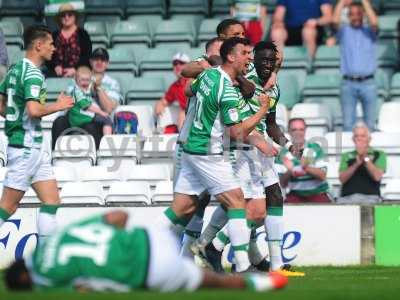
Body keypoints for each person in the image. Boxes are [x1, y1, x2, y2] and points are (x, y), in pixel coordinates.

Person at [193, 41, 304, 277]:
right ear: (253, 60)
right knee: (249, 209)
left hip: (260, 150)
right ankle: (214, 246)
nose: (266, 65)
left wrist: (288, 144)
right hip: (239, 148)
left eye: (270, 61)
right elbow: (217, 66)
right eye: (261, 60)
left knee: (275, 198)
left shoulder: (274, 89)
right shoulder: (243, 77)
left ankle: (276, 265)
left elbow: (271, 125)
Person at [161, 37, 270, 273]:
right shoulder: (228, 90)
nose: (249, 58)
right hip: (207, 152)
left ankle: (150, 252)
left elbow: (189, 89)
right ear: (231, 56)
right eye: (244, 53)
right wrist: (262, 111)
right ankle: (241, 266)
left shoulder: (208, 75)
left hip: (191, 148)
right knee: (237, 200)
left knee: (182, 208)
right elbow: (238, 133)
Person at [4, 210, 288, 292]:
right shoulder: (61, 235)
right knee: (188, 205)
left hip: (148, 270)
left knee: (210, 283)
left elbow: (83, 288)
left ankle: (263, 284)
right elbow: (118, 216)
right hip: (152, 237)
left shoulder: (47, 279)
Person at [0, 25, 74, 239]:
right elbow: (34, 110)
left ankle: (45, 260)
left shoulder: (15, 69)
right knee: (8, 207)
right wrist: (58, 106)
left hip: (34, 148)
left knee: (51, 201)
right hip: (25, 148)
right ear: (38, 45)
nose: (54, 48)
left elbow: (1, 104)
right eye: (51, 44)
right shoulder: (33, 74)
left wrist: (15, 118)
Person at [51, 48, 122, 149]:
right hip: (76, 114)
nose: (99, 62)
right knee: (59, 122)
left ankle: (96, 158)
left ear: (107, 63)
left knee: (91, 127)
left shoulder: (112, 83)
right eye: (96, 59)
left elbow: (108, 108)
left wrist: (98, 88)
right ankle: (55, 154)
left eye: (103, 59)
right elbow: (69, 101)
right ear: (90, 61)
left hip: (95, 118)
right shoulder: (78, 78)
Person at [333, 0, 378, 132]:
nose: (356, 16)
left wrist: (364, 2)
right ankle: (349, 152)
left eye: (359, 14)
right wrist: (342, 2)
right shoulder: (344, 31)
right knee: (348, 125)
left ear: (363, 15)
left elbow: (375, 22)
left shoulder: (370, 32)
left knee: (370, 125)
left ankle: (368, 153)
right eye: (352, 14)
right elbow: (335, 21)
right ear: (348, 16)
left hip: (369, 83)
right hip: (348, 83)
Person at [276, 118, 331, 203]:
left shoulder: (315, 148)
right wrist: (290, 172)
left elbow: (323, 176)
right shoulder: (283, 153)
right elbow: (282, 184)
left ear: (305, 131)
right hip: (295, 195)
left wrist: (305, 167)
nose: (298, 133)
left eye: (301, 129)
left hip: (318, 193)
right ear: (289, 132)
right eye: (294, 130)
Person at [338, 122, 386, 204]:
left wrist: (366, 158)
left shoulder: (379, 154)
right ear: (353, 139)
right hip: (347, 198)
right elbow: (342, 179)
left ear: (369, 139)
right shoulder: (346, 155)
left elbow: (377, 176)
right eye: (356, 136)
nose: (359, 139)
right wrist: (356, 163)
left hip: (371, 198)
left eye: (363, 136)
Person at [47, 3, 92, 78]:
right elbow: (48, 56)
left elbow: (87, 55)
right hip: (56, 75)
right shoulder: (54, 35)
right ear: (59, 18)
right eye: (63, 15)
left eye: (70, 15)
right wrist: (55, 67)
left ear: (75, 17)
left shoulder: (83, 34)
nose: (66, 17)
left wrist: (75, 69)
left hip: (79, 74)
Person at [68, 66, 113, 135]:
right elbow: (87, 106)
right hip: (81, 117)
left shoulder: (85, 88)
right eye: (82, 80)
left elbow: (95, 82)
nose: (85, 83)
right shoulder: (77, 92)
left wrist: (96, 83)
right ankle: (107, 141)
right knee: (106, 119)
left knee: (105, 120)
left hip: (85, 115)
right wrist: (101, 112)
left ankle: (106, 139)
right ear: (76, 80)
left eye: (87, 80)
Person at [154, 52, 191, 132]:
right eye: (175, 64)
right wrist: (159, 104)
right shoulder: (175, 86)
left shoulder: (195, 79)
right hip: (189, 117)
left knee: (183, 114)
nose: (178, 66)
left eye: (181, 63)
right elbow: (165, 101)